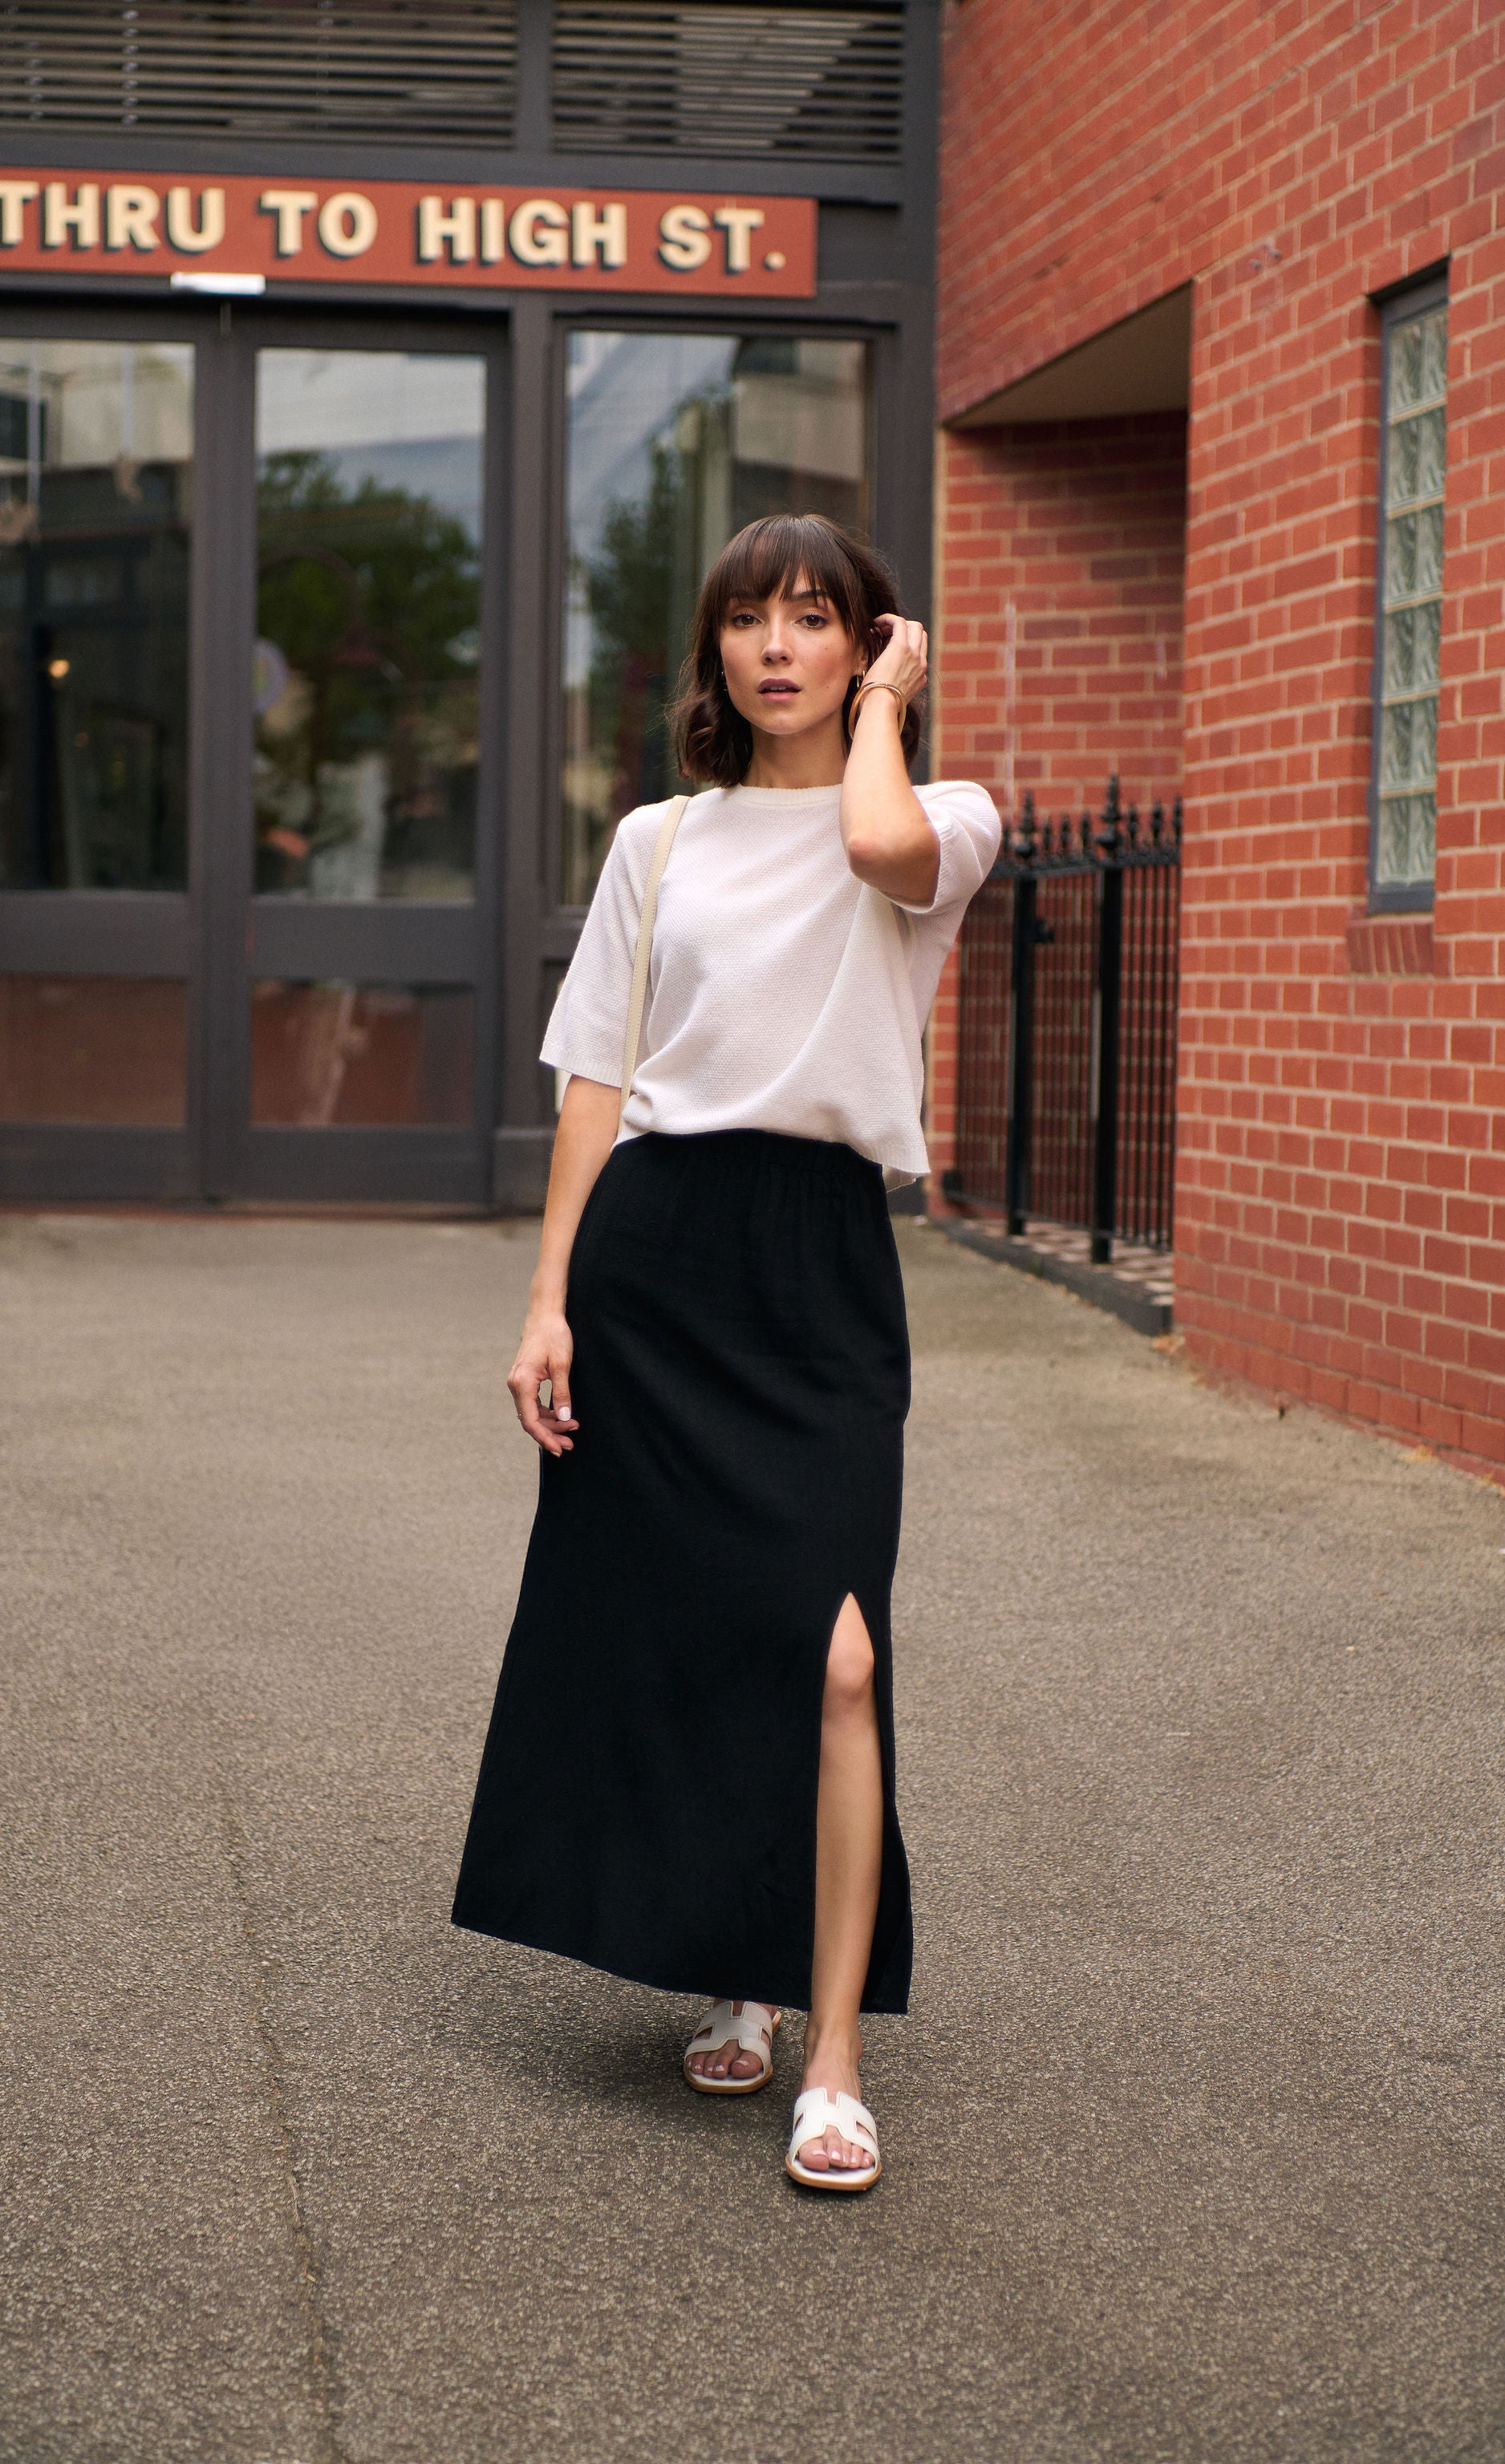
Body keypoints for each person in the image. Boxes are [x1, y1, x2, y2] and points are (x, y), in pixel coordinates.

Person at [452, 513, 1000, 2190]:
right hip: (659, 1259)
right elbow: (598, 1083)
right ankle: (745, 1977)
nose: (778, 645)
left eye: (816, 618)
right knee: (693, 1635)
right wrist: (547, 1295)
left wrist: (892, 713)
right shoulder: (657, 844)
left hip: (819, 1267)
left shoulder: (941, 814)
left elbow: (882, 851)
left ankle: (831, 2058)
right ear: (715, 654)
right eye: (749, 618)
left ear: (864, 643)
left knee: (838, 1653)